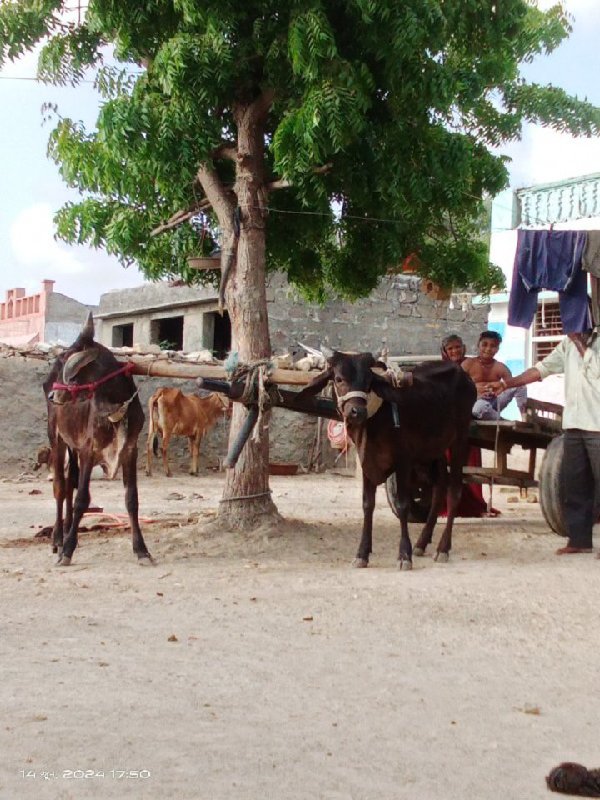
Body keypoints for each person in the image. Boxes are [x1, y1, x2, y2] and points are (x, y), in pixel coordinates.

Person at [489, 329, 600, 556]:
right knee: (574, 483)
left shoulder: (585, 343)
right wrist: (509, 384)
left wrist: (581, 345)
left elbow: (596, 371)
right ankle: (580, 540)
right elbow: (542, 369)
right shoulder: (567, 344)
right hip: (573, 424)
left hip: (597, 424)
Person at [440, 333, 499, 517]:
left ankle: (473, 505)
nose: (455, 351)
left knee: (469, 460)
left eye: (457, 347)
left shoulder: (473, 365)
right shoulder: (442, 370)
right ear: (445, 352)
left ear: (463, 347)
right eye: (450, 348)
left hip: (469, 420)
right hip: (448, 422)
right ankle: (446, 504)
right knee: (447, 462)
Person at [461, 330, 527, 420]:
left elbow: (511, 385)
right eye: (484, 344)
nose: (488, 349)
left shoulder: (501, 367)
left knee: (519, 385)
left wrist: (498, 390)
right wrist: (475, 392)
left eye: (493, 346)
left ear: (497, 349)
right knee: (479, 408)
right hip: (476, 403)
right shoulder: (468, 364)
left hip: (495, 402)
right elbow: (458, 386)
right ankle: (502, 421)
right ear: (478, 345)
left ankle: (525, 417)